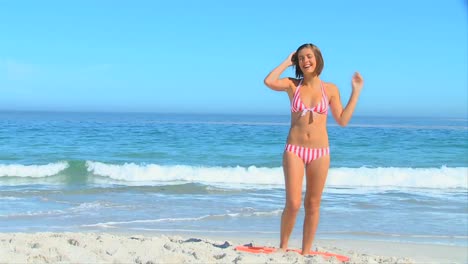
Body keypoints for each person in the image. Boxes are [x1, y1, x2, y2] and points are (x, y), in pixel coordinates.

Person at [263, 43, 364, 255]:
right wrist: (286, 61)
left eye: (308, 56)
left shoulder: (330, 89)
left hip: (320, 152)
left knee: (313, 204)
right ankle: (283, 247)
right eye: (300, 58)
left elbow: (342, 120)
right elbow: (269, 81)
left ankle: (306, 252)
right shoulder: (293, 85)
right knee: (293, 203)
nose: (305, 61)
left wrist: (355, 92)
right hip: (294, 150)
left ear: (317, 58)